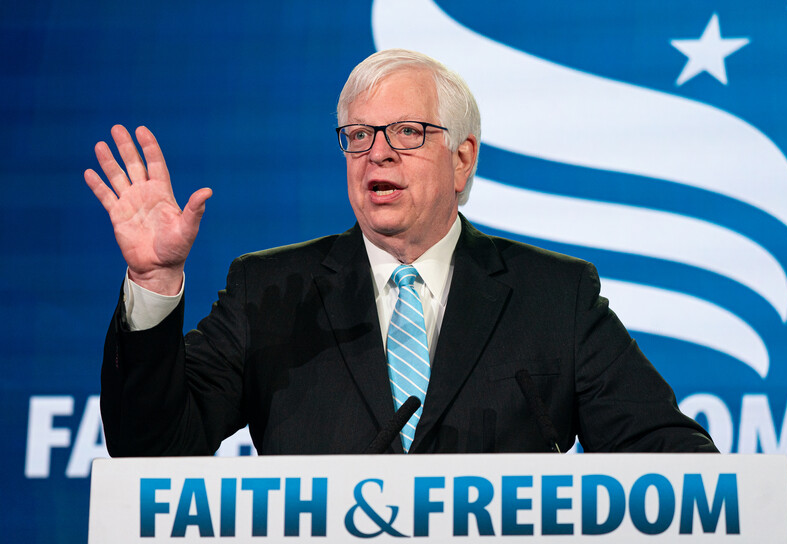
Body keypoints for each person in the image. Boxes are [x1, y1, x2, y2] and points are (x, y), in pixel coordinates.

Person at [85, 49, 717, 456]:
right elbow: (152, 452)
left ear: (463, 158)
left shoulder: (555, 296)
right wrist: (154, 278)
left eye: (407, 132)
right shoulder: (269, 292)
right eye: (358, 136)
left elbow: (672, 463)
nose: (377, 154)